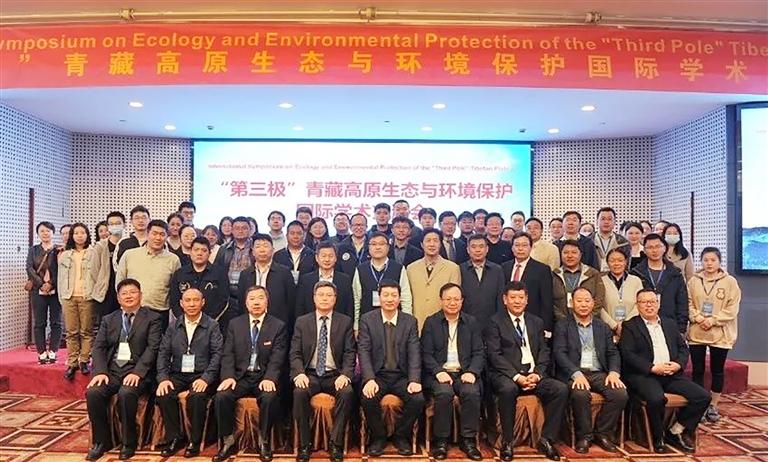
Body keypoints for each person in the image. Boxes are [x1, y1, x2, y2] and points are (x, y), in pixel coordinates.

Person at [619, 288, 711, 454]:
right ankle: (658, 437)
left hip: (671, 373)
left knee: (703, 396)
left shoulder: (669, 323)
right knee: (656, 398)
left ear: (658, 303)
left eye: (652, 302)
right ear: (637, 305)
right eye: (644, 302)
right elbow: (628, 355)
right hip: (645, 375)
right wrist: (652, 368)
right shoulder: (630, 326)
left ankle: (676, 430)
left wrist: (677, 365)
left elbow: (683, 349)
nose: (649, 305)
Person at [485, 281, 568, 461]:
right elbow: (494, 355)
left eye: (521, 297)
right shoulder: (494, 322)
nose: (517, 301)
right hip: (507, 375)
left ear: (527, 300)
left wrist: (537, 374)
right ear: (505, 299)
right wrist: (516, 377)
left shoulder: (536, 322)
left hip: (533, 374)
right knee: (508, 389)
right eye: (513, 297)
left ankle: (546, 439)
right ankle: (507, 441)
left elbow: (544, 351)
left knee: (560, 389)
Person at [85, 279, 163, 461]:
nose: (129, 296)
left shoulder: (153, 318)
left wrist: (138, 372)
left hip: (138, 372)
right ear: (118, 298)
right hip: (112, 371)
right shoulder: (109, 319)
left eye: (133, 292)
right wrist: (100, 372)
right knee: (93, 393)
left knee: (126, 393)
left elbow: (153, 348)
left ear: (140, 295)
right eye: (124, 293)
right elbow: (99, 347)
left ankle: (129, 442)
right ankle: (101, 442)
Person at [213, 285, 288, 462]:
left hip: (263, 376)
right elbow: (228, 353)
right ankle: (227, 440)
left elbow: (278, 357)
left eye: (260, 298)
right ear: (246, 303)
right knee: (222, 396)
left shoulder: (278, 326)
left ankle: (264, 440)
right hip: (240, 377)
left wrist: (270, 378)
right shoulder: (235, 324)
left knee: (269, 397)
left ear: (267, 301)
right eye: (252, 299)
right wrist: (228, 376)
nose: (256, 302)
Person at [553, 287, 628, 454]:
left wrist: (614, 372)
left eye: (587, 301)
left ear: (593, 303)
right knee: (580, 394)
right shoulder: (562, 325)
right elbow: (559, 353)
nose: (583, 304)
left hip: (598, 372)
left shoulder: (602, 326)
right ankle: (584, 436)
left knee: (620, 394)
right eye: (579, 301)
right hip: (574, 372)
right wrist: (576, 374)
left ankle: (602, 433)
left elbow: (612, 352)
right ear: (572, 303)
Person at [291, 281, 357, 462]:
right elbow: (295, 353)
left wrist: (345, 374)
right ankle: (304, 444)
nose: (325, 299)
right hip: (310, 374)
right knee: (299, 392)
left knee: (347, 392)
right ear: (314, 298)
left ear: (335, 299)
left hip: (334, 375)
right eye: (321, 295)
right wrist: (299, 373)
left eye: (329, 295)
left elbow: (350, 352)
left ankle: (336, 444)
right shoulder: (302, 322)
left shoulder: (345, 322)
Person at [358, 281, 424, 456]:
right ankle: (378, 437)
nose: (389, 299)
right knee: (368, 398)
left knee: (417, 399)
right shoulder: (367, 320)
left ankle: (401, 436)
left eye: (394, 295)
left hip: (401, 376)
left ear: (400, 298)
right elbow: (363, 351)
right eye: (385, 295)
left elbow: (414, 352)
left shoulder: (409, 321)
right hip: (378, 375)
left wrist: (414, 380)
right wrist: (369, 379)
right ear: (379, 297)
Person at [156, 288, 223, 458]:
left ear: (203, 302)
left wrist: (206, 379)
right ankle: (174, 438)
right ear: (181, 304)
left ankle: (195, 440)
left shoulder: (212, 325)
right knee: (164, 394)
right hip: (178, 374)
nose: (192, 304)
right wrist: (163, 378)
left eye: (196, 300)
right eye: (187, 300)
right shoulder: (173, 326)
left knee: (197, 396)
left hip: (202, 374)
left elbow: (218, 355)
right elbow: (163, 354)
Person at [421, 283, 484, 461]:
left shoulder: (471, 322)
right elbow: (425, 353)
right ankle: (441, 441)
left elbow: (479, 352)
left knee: (471, 392)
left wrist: (472, 372)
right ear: (441, 301)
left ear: (462, 301)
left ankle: (468, 440)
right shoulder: (431, 322)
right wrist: (438, 371)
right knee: (444, 393)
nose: (452, 302)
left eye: (456, 299)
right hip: (439, 373)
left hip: (464, 372)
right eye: (448, 299)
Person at [687, 247, 742, 422]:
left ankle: (713, 405)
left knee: (717, 371)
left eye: (713, 260)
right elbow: (688, 302)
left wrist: (713, 320)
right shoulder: (693, 281)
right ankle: (699, 404)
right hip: (697, 331)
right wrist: (698, 317)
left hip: (720, 333)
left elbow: (732, 307)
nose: (709, 263)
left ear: (719, 261)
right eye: (705, 260)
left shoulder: (730, 282)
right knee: (697, 370)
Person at [116, 219, 182, 333]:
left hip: (160, 311)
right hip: (132, 310)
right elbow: (119, 283)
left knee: (158, 343)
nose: (158, 238)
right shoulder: (129, 255)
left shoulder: (173, 259)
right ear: (147, 234)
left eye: (162, 234)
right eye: (154, 233)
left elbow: (176, 289)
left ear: (167, 237)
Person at [59, 222, 99, 380]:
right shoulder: (65, 254)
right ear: (72, 236)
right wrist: (62, 297)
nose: (79, 236)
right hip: (68, 296)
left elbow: (97, 274)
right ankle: (72, 362)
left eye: (83, 233)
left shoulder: (93, 252)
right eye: (76, 233)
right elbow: (61, 278)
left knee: (86, 331)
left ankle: (84, 360)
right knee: (71, 332)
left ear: (87, 235)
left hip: (87, 296)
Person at [352, 232, 412, 329]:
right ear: (368, 248)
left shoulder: (398, 268)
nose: (378, 247)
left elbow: (405, 298)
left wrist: (407, 323)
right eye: (374, 244)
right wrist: (356, 325)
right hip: (367, 321)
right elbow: (356, 299)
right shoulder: (360, 269)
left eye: (381, 244)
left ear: (388, 247)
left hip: (394, 321)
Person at [631, 233, 689, 333]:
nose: (654, 250)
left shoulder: (675, 274)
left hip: (670, 325)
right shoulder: (636, 273)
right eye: (650, 247)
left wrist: (681, 329)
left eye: (658, 246)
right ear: (644, 250)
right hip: (642, 327)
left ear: (664, 248)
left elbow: (682, 304)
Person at [407, 229, 461, 330]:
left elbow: (454, 299)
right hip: (417, 322)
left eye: (435, 241)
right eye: (428, 240)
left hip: (442, 324)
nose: (432, 244)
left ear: (441, 244)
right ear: (422, 244)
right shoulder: (411, 268)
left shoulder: (453, 268)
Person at [237, 233, 296, 327]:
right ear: (252, 251)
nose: (262, 250)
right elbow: (241, 302)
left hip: (278, 324)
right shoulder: (245, 274)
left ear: (273, 250)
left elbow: (291, 301)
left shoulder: (284, 272)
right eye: (258, 246)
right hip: (251, 323)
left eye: (265, 246)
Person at [503, 232, 555, 336]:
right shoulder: (504, 267)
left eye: (524, 245)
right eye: (517, 245)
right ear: (512, 248)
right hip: (507, 322)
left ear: (531, 248)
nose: (520, 249)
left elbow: (547, 301)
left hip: (533, 322)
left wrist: (545, 328)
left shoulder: (542, 270)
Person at [169, 237, 230, 324]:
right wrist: (184, 320)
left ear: (209, 253)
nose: (199, 253)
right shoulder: (180, 274)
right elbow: (174, 301)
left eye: (204, 250)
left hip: (212, 324)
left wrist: (208, 322)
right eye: (196, 250)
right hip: (184, 324)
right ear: (190, 252)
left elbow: (223, 300)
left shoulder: (220, 274)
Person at [27, 221, 61, 364]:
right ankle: (41, 352)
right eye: (42, 231)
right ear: (38, 234)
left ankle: (53, 351)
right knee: (39, 322)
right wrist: (41, 284)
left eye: (48, 231)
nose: (45, 233)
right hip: (37, 290)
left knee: (56, 322)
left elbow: (61, 269)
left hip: (56, 290)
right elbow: (29, 268)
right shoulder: (33, 250)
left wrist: (51, 283)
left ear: (53, 233)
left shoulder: (59, 250)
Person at [296, 241, 354, 318]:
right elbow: (300, 307)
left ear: (336, 258)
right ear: (316, 258)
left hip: (339, 322)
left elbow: (349, 307)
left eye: (330, 256)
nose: (327, 259)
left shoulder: (345, 280)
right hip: (311, 322)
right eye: (323, 256)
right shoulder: (306, 280)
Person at [460, 234, 505, 331]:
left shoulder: (497, 270)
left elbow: (501, 299)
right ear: (468, 250)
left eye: (481, 246)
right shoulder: (460, 269)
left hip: (492, 325)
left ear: (487, 249)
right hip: (466, 324)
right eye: (473, 247)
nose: (477, 250)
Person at [553, 239, 606, 322]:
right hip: (560, 323)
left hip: (589, 323)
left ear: (580, 255)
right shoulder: (554, 275)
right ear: (561, 254)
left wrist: (586, 318)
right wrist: (564, 321)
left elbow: (599, 299)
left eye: (574, 252)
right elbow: (550, 303)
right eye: (565, 252)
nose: (569, 256)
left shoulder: (593, 274)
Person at [92, 212, 127, 329]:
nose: (115, 226)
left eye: (118, 223)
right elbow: (94, 271)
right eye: (112, 224)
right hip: (106, 292)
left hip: (125, 291)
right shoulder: (100, 246)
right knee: (106, 327)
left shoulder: (129, 244)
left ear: (124, 225)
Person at [215, 216, 254, 317]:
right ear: (232, 230)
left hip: (250, 295)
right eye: (237, 228)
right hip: (229, 297)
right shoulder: (224, 249)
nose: (240, 231)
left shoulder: (255, 248)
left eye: (244, 228)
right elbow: (217, 270)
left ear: (250, 230)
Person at [601, 248, 644, 340]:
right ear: (607, 263)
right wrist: (614, 325)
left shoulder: (636, 281)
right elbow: (598, 306)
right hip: (607, 328)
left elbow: (640, 303)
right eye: (612, 261)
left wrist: (625, 325)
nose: (616, 263)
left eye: (620, 260)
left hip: (632, 328)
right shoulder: (601, 281)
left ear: (625, 262)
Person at [593, 207, 630, 272]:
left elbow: (626, 266)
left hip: (615, 276)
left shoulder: (623, 242)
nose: (606, 222)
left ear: (615, 222)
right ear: (597, 221)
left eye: (610, 219)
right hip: (593, 276)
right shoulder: (588, 241)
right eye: (603, 219)